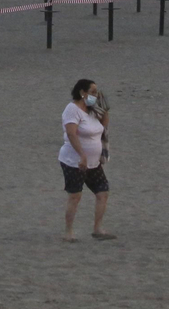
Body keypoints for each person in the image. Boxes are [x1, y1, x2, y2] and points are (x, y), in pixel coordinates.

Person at [58, 78, 111, 241]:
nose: (95, 95)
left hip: (93, 162)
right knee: (75, 195)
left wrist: (105, 109)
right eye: (93, 92)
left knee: (103, 191)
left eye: (96, 92)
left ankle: (97, 229)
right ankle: (68, 232)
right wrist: (82, 154)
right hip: (74, 161)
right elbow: (72, 134)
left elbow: (104, 126)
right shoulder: (72, 109)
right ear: (82, 92)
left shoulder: (92, 110)